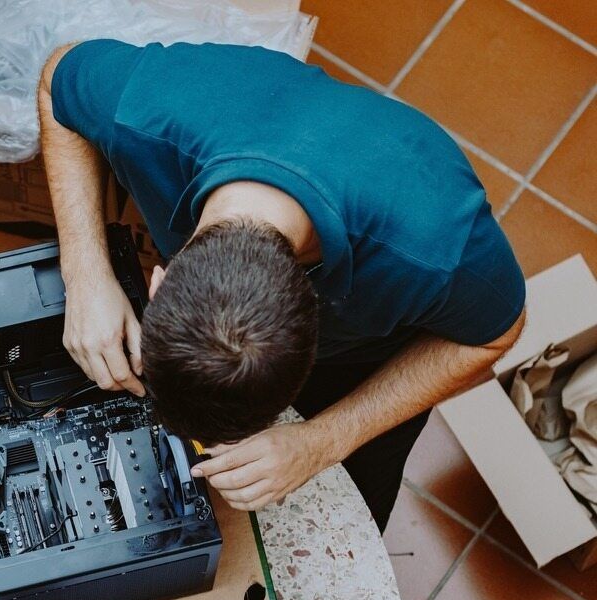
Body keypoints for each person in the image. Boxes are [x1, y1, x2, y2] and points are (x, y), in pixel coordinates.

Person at [36, 40, 526, 532]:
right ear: (161, 284)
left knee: (351, 515)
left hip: (368, 364)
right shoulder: (152, 107)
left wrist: (323, 440)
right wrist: (85, 275)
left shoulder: (436, 247)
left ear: (318, 323)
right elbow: (58, 76)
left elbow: (497, 334)